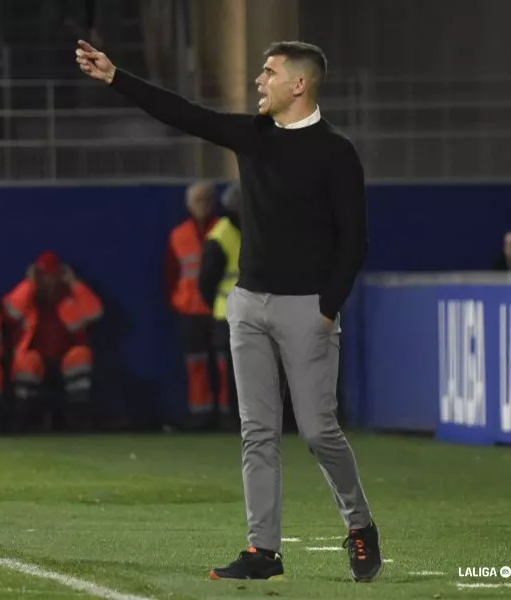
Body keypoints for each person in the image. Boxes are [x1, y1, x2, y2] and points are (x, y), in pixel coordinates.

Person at [76, 40, 381, 582]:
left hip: (307, 310)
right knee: (257, 432)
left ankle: (360, 526)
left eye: (269, 72)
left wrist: (327, 309)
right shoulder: (252, 134)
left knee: (318, 431)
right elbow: (184, 113)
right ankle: (263, 551)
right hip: (247, 306)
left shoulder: (337, 151)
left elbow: (353, 240)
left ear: (299, 85)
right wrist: (117, 76)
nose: (259, 81)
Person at [3, 251, 103, 431]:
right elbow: (11, 311)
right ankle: (25, 420)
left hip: (65, 355)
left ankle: (78, 419)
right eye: (43, 275)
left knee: (80, 355)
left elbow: (95, 313)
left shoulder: (70, 295)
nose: (48, 280)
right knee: (27, 360)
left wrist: (74, 283)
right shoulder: (29, 296)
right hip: (37, 358)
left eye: (52, 275)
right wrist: (30, 283)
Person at [165, 182, 219, 428]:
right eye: (198, 199)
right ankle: (201, 414)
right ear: (189, 204)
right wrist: (177, 302)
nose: (203, 204)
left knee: (225, 365)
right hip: (189, 310)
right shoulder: (179, 235)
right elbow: (171, 274)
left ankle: (229, 414)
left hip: (221, 309)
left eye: (207, 199)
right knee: (196, 364)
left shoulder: (223, 229)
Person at [198, 181, 243, 429]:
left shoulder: (259, 229)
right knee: (234, 372)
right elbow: (206, 282)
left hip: (258, 313)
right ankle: (234, 418)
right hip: (229, 315)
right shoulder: (219, 236)